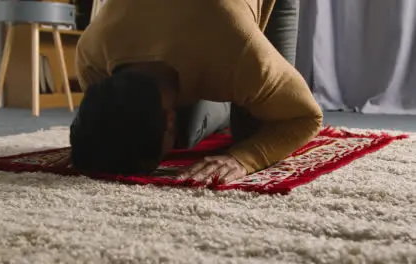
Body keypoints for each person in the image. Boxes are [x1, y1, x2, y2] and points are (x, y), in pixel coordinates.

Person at [70, 0, 323, 184]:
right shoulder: (91, 55)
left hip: (228, 22)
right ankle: (233, 91)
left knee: (254, 133)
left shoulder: (240, 51)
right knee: (188, 134)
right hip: (203, 27)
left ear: (170, 119)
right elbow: (107, 126)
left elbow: (306, 117)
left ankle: (240, 93)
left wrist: (245, 158)